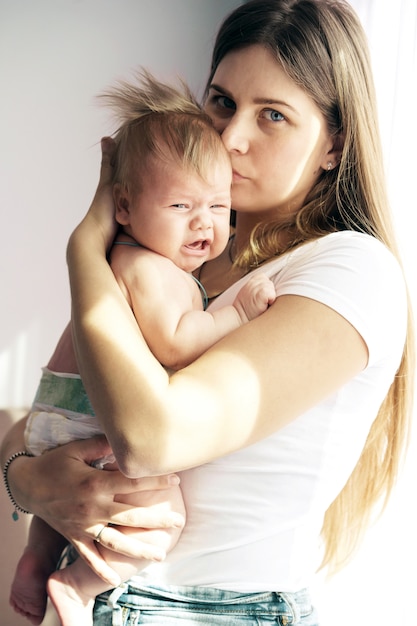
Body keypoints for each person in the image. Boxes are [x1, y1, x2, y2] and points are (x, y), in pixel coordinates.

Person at [2, 1, 414, 624]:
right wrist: (25, 481)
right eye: (222, 101)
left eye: (272, 115)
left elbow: (150, 439)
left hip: (212, 612)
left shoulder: (350, 271)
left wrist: (86, 249)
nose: (230, 137)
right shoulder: (188, 263)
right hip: (98, 599)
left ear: (335, 144)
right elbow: (57, 408)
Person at [8, 71, 276, 626]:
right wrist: (237, 315)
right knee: (164, 515)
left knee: (64, 501)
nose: (205, 224)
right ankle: (76, 584)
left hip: (61, 416)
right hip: (91, 417)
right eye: (181, 207)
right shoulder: (146, 268)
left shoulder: (139, 260)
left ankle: (36, 560)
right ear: (123, 208)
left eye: (218, 207)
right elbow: (175, 345)